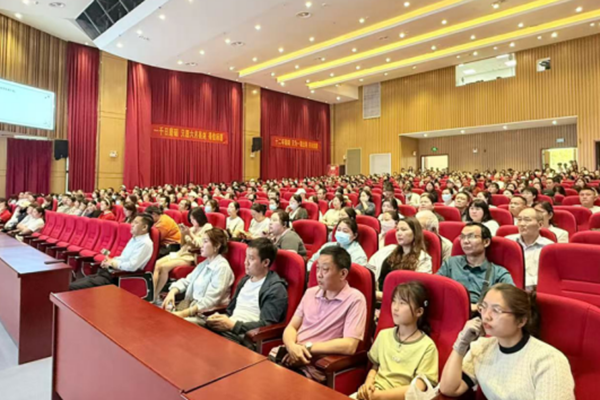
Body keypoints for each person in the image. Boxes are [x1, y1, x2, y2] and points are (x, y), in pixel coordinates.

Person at [439, 284, 575, 400]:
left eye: (496, 310)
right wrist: (461, 344)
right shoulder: (481, 348)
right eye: (483, 307)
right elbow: (449, 389)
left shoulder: (548, 360)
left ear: (521, 321)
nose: (486, 316)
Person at [278, 246, 367, 382]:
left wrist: (305, 349)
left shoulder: (355, 299)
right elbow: (292, 327)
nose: (318, 274)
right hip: (290, 356)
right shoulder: (310, 293)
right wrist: (291, 347)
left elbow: (349, 345)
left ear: (343, 274)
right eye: (317, 268)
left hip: (314, 365)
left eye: (325, 270)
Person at [352, 282, 438, 400]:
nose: (395, 308)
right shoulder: (384, 335)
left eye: (402, 303)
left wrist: (379, 396)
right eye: (394, 301)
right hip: (374, 394)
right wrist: (367, 386)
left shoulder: (427, 346)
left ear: (419, 312)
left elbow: (419, 387)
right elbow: (375, 367)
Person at [203, 238, 288, 349]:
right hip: (228, 330)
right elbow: (230, 311)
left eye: (251, 258)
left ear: (265, 262)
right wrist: (218, 318)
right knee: (193, 327)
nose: (245, 262)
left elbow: (267, 324)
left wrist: (233, 325)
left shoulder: (275, 288)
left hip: (244, 338)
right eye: (246, 257)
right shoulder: (245, 280)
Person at [162, 228, 234, 322]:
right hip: (191, 308)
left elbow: (210, 301)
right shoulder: (204, 263)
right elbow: (187, 281)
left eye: (205, 242)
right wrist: (172, 292)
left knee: (169, 321)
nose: (201, 245)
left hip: (206, 314)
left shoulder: (222, 268)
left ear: (217, 245)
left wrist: (182, 314)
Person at [437, 223, 514, 310]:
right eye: (462, 237)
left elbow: (511, 300)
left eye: (471, 236)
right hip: (452, 311)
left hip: (483, 315)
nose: (465, 241)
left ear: (486, 242)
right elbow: (435, 289)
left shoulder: (498, 273)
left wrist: (480, 307)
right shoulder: (450, 263)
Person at [69, 215, 154, 290]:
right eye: (132, 222)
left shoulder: (145, 244)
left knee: (72, 287)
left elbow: (132, 266)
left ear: (144, 227)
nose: (132, 225)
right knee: (74, 283)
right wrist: (110, 261)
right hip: (109, 272)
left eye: (136, 223)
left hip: (119, 277)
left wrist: (112, 263)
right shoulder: (134, 239)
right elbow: (123, 258)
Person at [152, 207, 213, 301]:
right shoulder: (192, 228)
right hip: (181, 253)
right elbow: (182, 245)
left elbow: (200, 244)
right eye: (191, 219)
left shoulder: (207, 227)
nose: (192, 221)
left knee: (164, 267)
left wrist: (190, 234)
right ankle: (151, 293)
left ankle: (155, 294)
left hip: (191, 256)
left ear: (199, 218)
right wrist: (183, 234)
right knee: (157, 264)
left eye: (193, 219)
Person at [369, 217, 433, 301]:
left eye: (403, 230)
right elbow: (369, 270)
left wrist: (381, 295)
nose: (399, 233)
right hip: (377, 298)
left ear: (415, 233)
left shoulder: (423, 258)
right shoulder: (387, 250)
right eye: (397, 230)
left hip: (402, 302)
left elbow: (418, 291)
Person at [505, 208, 554, 289]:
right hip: (508, 288)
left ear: (540, 225)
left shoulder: (549, 248)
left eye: (527, 220)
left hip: (535, 290)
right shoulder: (508, 242)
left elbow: (548, 276)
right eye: (519, 220)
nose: (521, 224)